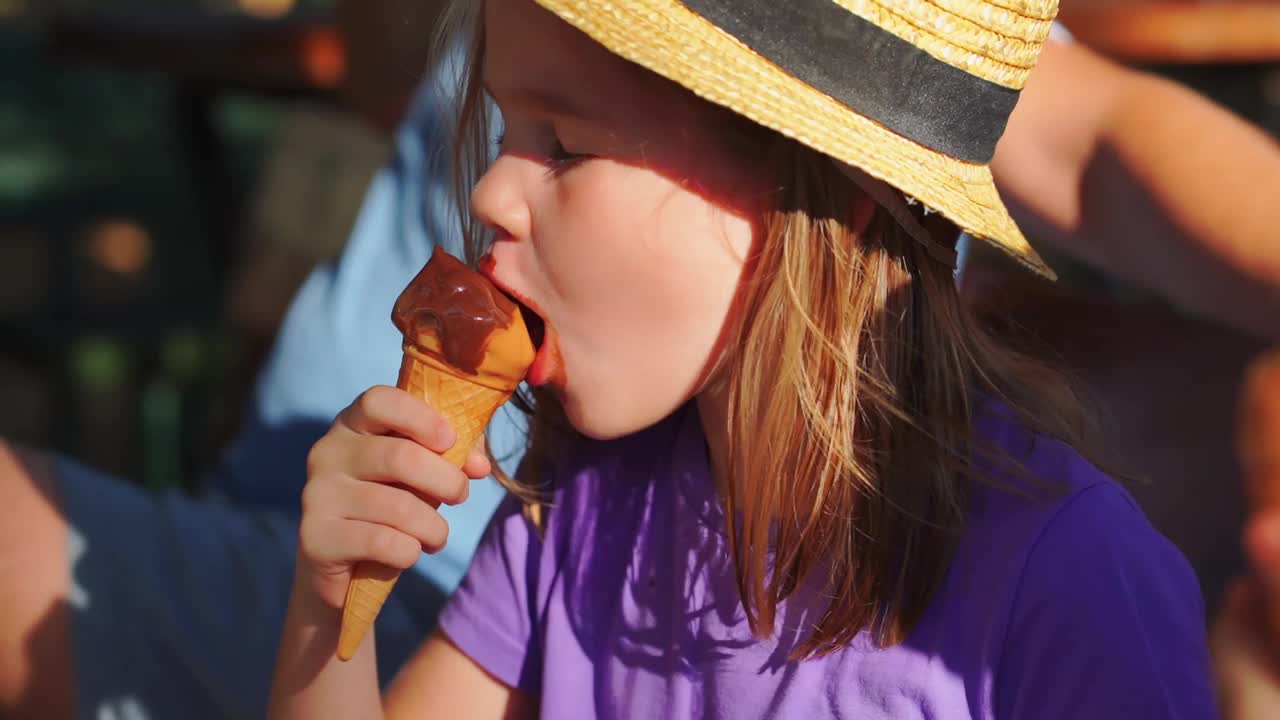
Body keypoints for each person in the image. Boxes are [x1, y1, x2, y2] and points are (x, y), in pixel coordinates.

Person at [3, 7, 1278, 720]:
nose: (493, 189)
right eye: (504, 127)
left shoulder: (1066, 586)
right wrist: (328, 612)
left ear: (812, 196)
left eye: (564, 142)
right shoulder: (578, 526)